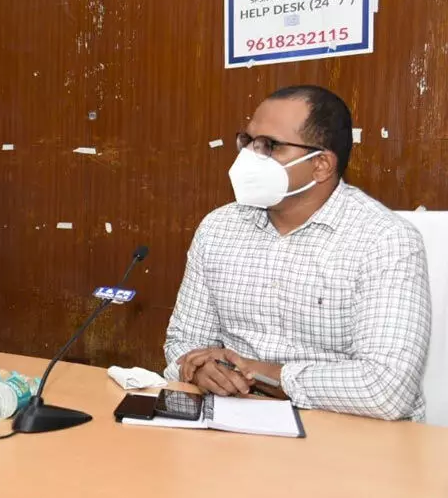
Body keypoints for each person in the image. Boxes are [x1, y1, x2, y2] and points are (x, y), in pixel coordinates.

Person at [163, 85, 431, 421]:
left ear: (321, 165)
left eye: (269, 146)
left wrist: (266, 374)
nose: (249, 156)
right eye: (247, 142)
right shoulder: (219, 228)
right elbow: (182, 341)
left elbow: (388, 389)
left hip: (349, 435)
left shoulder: (384, 240)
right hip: (233, 425)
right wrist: (197, 368)